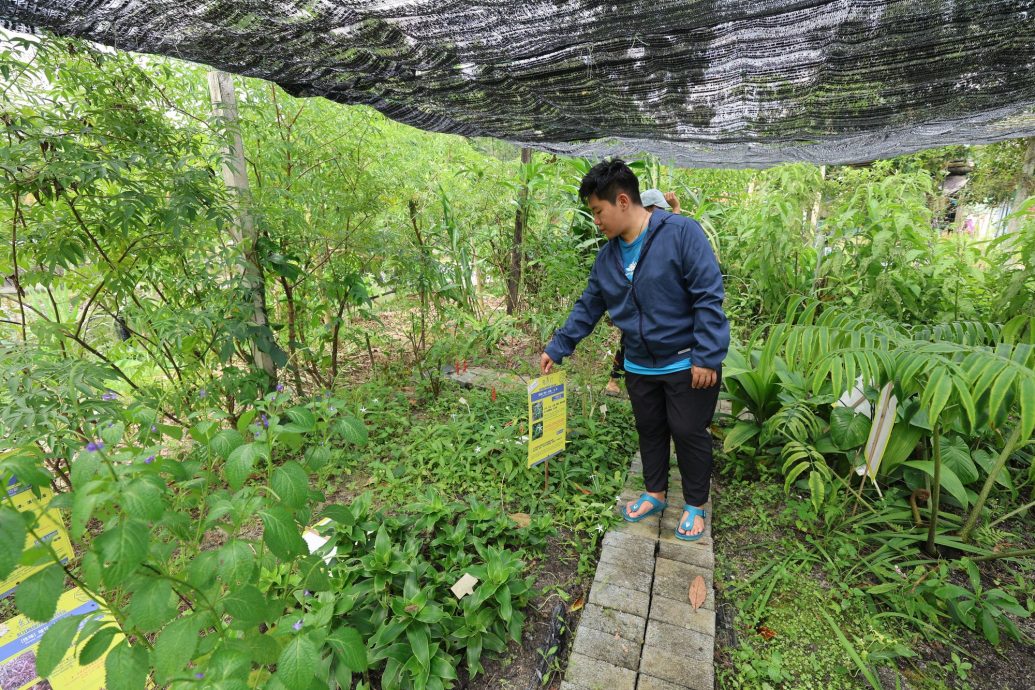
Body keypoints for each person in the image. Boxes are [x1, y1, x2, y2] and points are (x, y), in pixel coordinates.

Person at [542, 161, 728, 541]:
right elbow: (589, 306)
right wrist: (558, 347)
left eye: (598, 211)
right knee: (650, 429)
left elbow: (708, 295)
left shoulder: (680, 233)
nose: (596, 221)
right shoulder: (608, 258)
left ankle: (694, 504)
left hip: (687, 360)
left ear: (623, 200)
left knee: (689, 431)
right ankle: (655, 493)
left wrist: (707, 354)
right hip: (640, 364)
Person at [602, 188, 682, 397]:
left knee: (632, 341)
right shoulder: (632, 239)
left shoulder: (661, 231)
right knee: (629, 340)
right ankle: (614, 379)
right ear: (646, 210)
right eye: (657, 211)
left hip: (655, 307)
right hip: (636, 305)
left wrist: (676, 208)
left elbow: (673, 234)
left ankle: (618, 380)